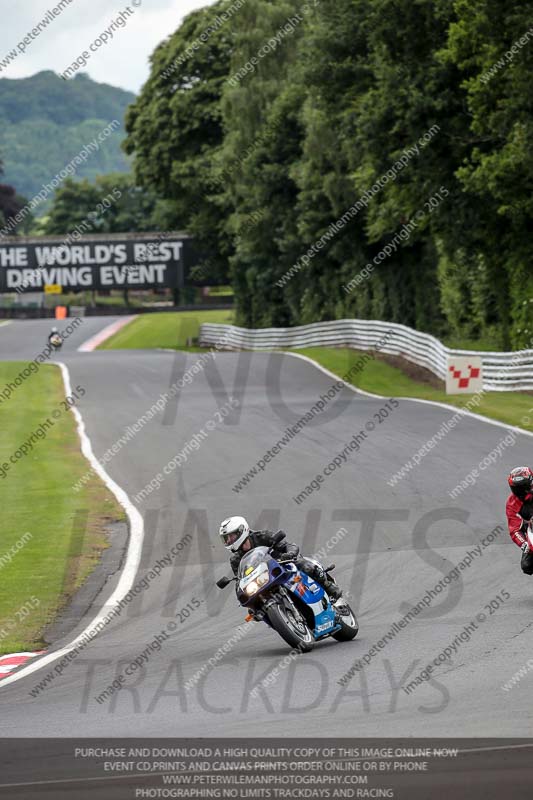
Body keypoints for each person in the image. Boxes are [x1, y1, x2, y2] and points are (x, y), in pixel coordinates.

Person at [219, 515, 343, 601]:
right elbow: (240, 580)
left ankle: (328, 586)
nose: (229, 541)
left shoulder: (262, 536)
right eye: (226, 539)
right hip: (264, 579)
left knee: (303, 565)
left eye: (231, 536)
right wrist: (240, 590)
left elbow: (288, 545)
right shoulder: (235, 560)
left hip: (284, 565)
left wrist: (289, 554)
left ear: (241, 530)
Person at [506, 467, 533, 575]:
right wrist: (524, 544)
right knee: (526, 565)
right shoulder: (512, 504)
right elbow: (515, 529)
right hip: (531, 530)